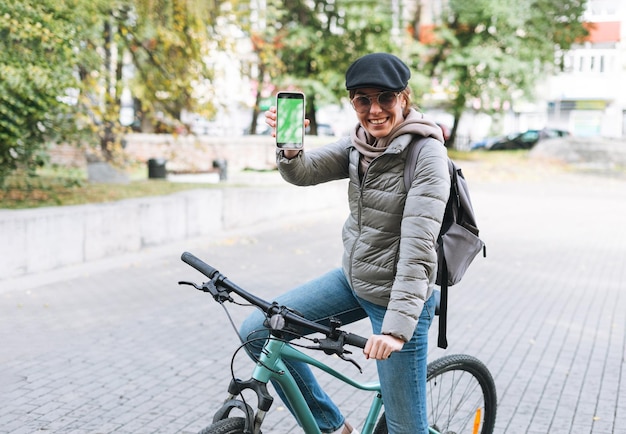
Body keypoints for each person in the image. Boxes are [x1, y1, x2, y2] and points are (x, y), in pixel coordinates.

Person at [240, 52, 451, 434]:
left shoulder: (427, 155)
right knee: (258, 330)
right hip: (353, 282)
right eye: (362, 100)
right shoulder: (359, 144)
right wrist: (290, 149)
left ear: (403, 98)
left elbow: (419, 251)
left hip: (400, 300)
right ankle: (334, 427)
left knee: (406, 428)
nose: (374, 110)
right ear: (352, 102)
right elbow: (304, 172)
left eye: (385, 98)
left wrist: (395, 329)